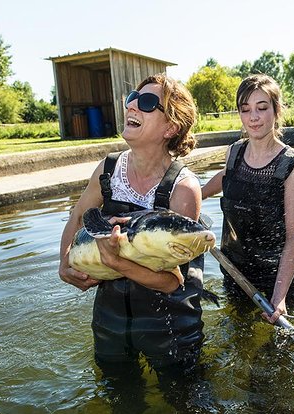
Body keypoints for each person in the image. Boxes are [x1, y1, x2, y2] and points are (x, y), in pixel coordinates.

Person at [58, 73, 206, 374]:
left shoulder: (183, 188)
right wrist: (64, 263)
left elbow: (173, 281)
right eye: (131, 99)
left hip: (167, 323)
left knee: (184, 408)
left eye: (148, 102)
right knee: (118, 400)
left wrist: (116, 262)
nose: (133, 106)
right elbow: (77, 217)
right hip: (110, 318)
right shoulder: (109, 169)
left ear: (171, 128)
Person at [202, 74, 294, 325]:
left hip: (282, 281)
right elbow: (226, 176)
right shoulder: (234, 151)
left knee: (279, 357)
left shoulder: (293, 166)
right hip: (237, 273)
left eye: (262, 108)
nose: (253, 117)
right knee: (239, 345)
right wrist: (193, 196)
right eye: (246, 109)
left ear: (276, 110)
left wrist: (280, 297)